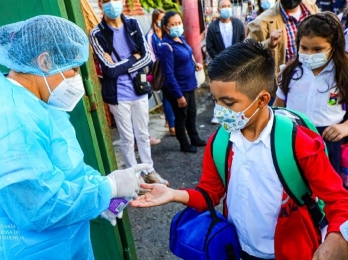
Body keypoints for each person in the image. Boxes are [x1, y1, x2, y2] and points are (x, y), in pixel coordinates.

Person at [0, 15, 149, 260]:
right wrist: (108, 188)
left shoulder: (35, 104)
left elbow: (65, 168)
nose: (78, 78)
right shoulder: (7, 120)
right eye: (74, 68)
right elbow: (37, 207)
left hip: (49, 245)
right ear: (45, 61)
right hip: (9, 250)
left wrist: (100, 194)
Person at [131, 40, 348, 260]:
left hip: (293, 251)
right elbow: (209, 193)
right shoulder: (220, 142)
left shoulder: (298, 143)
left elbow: (338, 200)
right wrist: (174, 194)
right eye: (216, 101)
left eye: (229, 102)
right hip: (239, 249)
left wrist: (336, 237)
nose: (220, 111)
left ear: (262, 99)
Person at [90, 0, 168, 185]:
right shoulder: (96, 34)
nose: (111, 4)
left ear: (123, 0)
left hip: (138, 89)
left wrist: (120, 66)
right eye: (106, 0)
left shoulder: (133, 24)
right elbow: (108, 70)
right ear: (100, 4)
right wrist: (133, 59)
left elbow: (148, 57)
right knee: (126, 138)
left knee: (142, 134)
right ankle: (135, 176)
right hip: (118, 95)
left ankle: (149, 169)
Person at [274, 12, 348, 177]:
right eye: (304, 48)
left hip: (328, 141)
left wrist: (344, 127)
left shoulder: (343, 74)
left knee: (327, 188)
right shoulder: (290, 72)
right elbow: (278, 105)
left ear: (334, 47)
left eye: (318, 49)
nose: (309, 54)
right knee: (294, 185)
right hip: (292, 137)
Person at [158, 11, 207, 153]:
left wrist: (195, 65)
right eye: (173, 24)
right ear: (166, 27)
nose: (177, 26)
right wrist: (178, 95)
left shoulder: (181, 39)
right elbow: (168, 73)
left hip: (189, 84)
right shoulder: (166, 46)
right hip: (178, 88)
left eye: (179, 23)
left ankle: (194, 138)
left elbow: (186, 57)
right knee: (181, 117)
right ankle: (184, 144)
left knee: (191, 113)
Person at [247, 0, 319, 85]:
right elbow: (248, 51)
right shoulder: (262, 21)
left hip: (315, 79)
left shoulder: (312, 9)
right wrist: (269, 43)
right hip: (285, 85)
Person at [206, 0, 245, 125]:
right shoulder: (213, 26)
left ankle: (236, 112)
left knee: (236, 88)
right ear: (219, 9)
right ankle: (218, 114)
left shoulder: (238, 24)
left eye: (228, 6)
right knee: (220, 89)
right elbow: (209, 46)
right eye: (223, 6)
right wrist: (219, 59)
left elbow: (242, 41)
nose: (226, 8)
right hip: (219, 62)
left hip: (236, 62)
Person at [146, 8, 176, 136]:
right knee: (168, 97)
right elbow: (150, 55)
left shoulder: (168, 33)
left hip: (173, 68)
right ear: (155, 20)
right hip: (160, 70)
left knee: (174, 95)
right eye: (161, 19)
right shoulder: (150, 36)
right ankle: (172, 125)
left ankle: (171, 121)